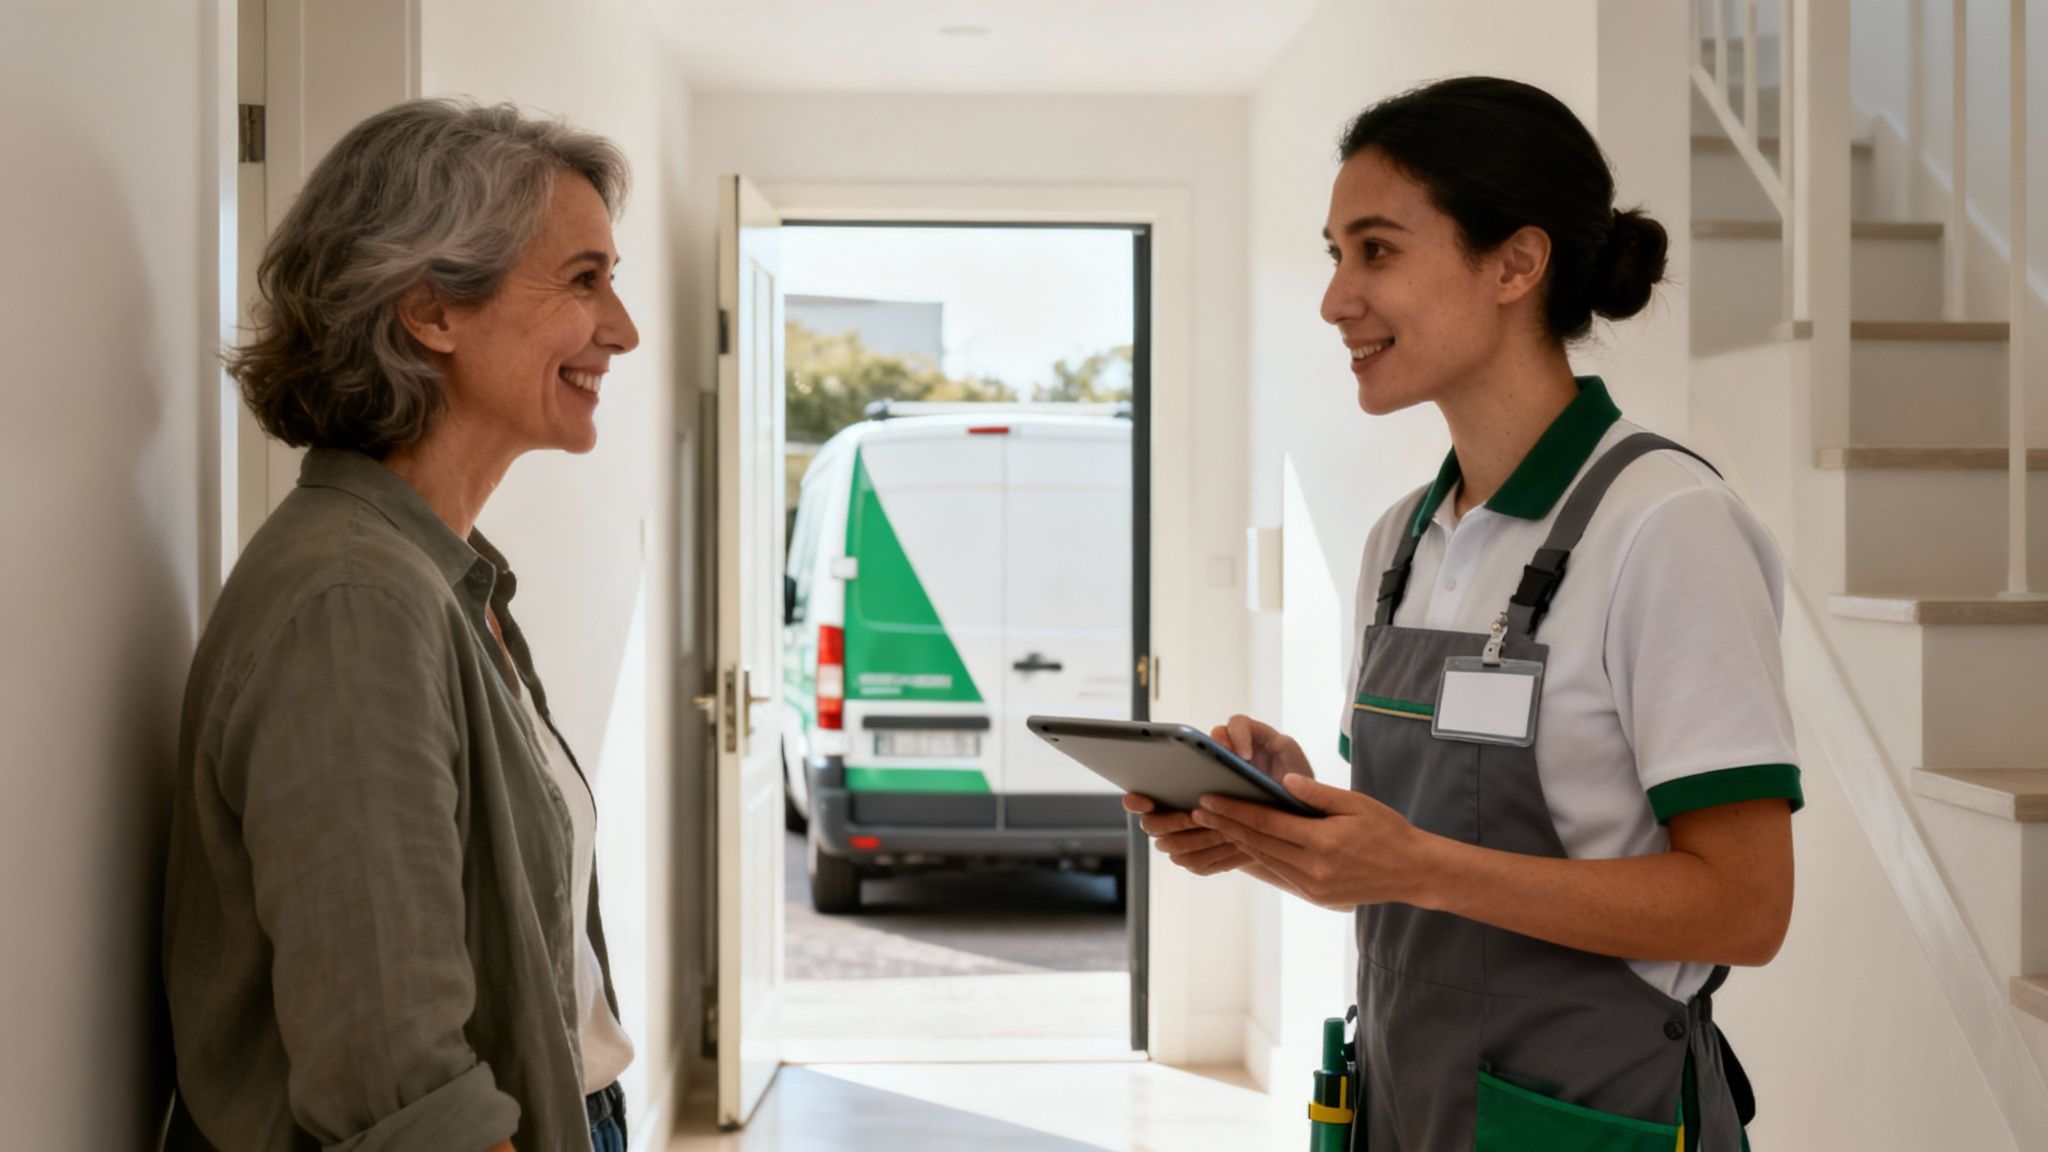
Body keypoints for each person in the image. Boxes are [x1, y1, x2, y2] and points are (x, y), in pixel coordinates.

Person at [1128, 77, 1801, 1152]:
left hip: (1586, 1121)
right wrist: (1275, 823)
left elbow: (1742, 909)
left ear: (1514, 264)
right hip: (1402, 1100)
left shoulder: (1664, 526)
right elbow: (1417, 852)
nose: (1334, 298)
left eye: (1376, 250)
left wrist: (1411, 864)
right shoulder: (1400, 541)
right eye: (1332, 253)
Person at [162, 99, 641, 1152]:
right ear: (432, 311)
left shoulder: (435, 579)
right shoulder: (355, 604)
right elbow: (394, 1081)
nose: (622, 329)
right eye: (583, 279)